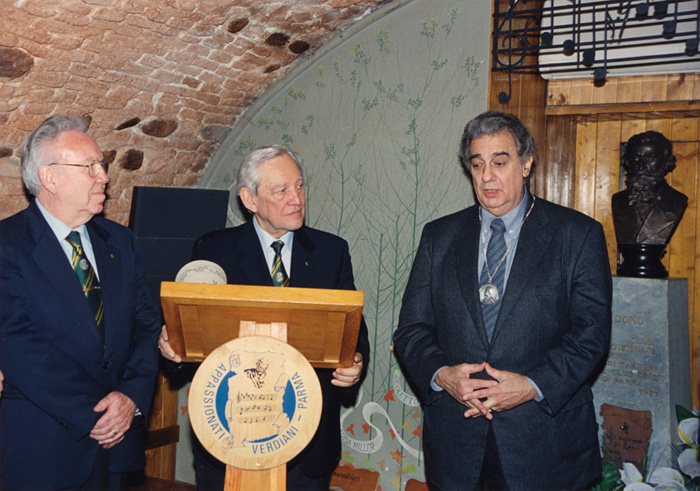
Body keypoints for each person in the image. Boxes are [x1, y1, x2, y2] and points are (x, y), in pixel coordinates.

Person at [393, 111, 612, 490]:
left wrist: (532, 385)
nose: (487, 176)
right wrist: (442, 375)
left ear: (526, 164)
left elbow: (591, 335)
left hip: (545, 444)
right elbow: (411, 330)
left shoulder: (577, 235)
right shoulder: (439, 236)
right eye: (477, 164)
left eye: (499, 162)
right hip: (457, 445)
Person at [159, 145, 370, 491]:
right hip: (230, 438)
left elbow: (354, 331)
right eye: (281, 190)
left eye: (299, 186)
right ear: (250, 199)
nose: (297, 199)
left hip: (308, 447)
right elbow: (187, 339)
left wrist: (355, 363)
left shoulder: (332, 252)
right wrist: (172, 347)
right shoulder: (214, 251)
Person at [0, 115, 162, 490]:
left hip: (119, 445)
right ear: (50, 178)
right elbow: (19, 345)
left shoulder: (120, 241)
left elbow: (146, 326)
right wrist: (97, 412)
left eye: (101, 165)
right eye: (89, 167)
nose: (103, 176)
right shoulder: (8, 245)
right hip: (44, 450)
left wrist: (130, 398)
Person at [612, 130, 687, 246]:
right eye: (636, 158)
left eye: (650, 158)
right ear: (627, 161)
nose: (641, 167)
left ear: (666, 162)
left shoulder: (676, 201)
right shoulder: (618, 200)